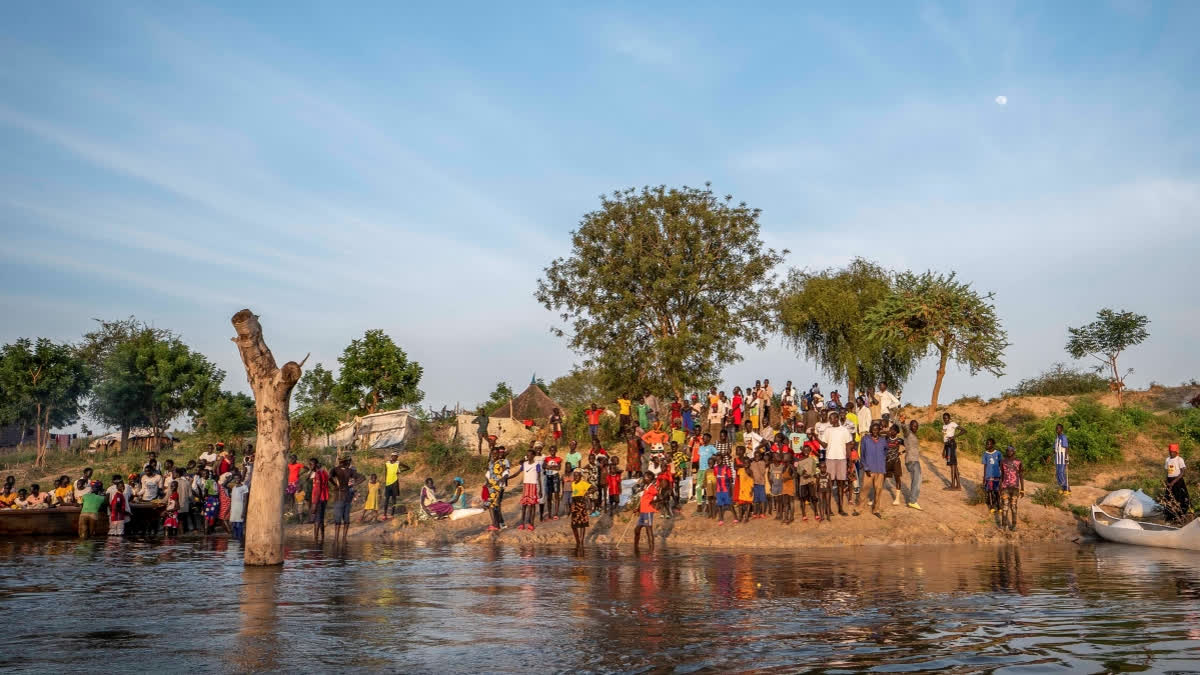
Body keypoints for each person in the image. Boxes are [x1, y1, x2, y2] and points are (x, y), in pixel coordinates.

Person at [820, 411, 854, 516]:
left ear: (836, 418)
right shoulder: (827, 430)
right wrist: (815, 437)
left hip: (841, 459)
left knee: (841, 485)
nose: (830, 420)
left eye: (831, 418)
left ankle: (840, 509)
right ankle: (828, 509)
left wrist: (849, 460)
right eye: (829, 418)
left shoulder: (844, 430)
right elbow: (824, 445)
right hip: (830, 458)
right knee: (829, 485)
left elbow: (848, 446)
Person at [329, 453, 362, 544]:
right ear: (346, 461)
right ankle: (344, 538)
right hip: (347, 495)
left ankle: (336, 539)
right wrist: (353, 484)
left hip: (339, 496)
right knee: (346, 519)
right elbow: (362, 477)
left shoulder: (335, 469)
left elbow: (329, 477)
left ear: (340, 461)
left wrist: (335, 485)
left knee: (337, 519)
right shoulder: (350, 471)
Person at [859, 421, 888, 518]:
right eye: (873, 429)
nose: (875, 431)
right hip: (869, 469)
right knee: (864, 489)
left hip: (880, 469)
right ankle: (859, 508)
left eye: (877, 429)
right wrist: (865, 467)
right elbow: (862, 454)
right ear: (870, 430)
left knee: (878, 490)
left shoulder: (883, 440)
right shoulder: (865, 439)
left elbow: (886, 451)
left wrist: (883, 460)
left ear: (880, 430)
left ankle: (876, 509)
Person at [999, 446, 1024, 531]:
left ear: (1014, 452)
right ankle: (1004, 525)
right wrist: (1000, 487)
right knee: (1005, 507)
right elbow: (1002, 475)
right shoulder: (1002, 461)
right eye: (1007, 450)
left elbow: (1020, 475)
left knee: (1013, 507)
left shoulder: (1018, 462)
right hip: (1005, 487)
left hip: (1015, 488)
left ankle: (1014, 525)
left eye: (1011, 451)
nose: (1009, 452)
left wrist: (1023, 489)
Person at [1165, 443, 1190, 522]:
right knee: (1169, 498)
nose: (1171, 453)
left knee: (1180, 498)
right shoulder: (1167, 459)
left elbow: (1182, 473)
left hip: (1178, 481)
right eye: (1170, 451)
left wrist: (1174, 482)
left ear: (1176, 452)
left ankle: (1180, 516)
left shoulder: (1180, 459)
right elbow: (1167, 471)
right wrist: (1167, 481)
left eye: (1173, 451)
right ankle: (1170, 516)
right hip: (1170, 481)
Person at [517, 449, 542, 530]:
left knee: (532, 505)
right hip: (526, 486)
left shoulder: (537, 465)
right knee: (524, 505)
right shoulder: (524, 464)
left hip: (533, 486)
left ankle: (531, 523)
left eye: (530, 455)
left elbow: (539, 477)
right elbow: (517, 472)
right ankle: (522, 523)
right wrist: (508, 478)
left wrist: (540, 489)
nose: (528, 456)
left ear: (533, 456)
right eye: (527, 455)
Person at [634, 471, 658, 552]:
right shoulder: (646, 486)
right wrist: (638, 508)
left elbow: (659, 496)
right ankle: (635, 547)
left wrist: (653, 502)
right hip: (642, 511)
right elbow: (643, 499)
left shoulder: (652, 488)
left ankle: (651, 549)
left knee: (648, 530)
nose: (643, 478)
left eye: (645, 477)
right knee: (637, 530)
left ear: (649, 479)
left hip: (648, 511)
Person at [569, 469, 592, 553]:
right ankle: (578, 541)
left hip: (581, 504)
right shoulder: (573, 484)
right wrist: (571, 505)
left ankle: (581, 541)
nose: (575, 477)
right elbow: (573, 495)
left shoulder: (584, 483)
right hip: (574, 504)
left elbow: (594, 488)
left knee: (582, 524)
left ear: (581, 476)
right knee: (573, 525)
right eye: (574, 475)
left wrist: (587, 493)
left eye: (577, 475)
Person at [902, 419, 923, 510]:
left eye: (917, 426)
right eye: (914, 426)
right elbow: (904, 429)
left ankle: (912, 500)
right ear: (910, 426)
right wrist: (903, 423)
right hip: (913, 461)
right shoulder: (908, 433)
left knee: (915, 480)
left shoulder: (912, 435)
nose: (916, 428)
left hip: (913, 460)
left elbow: (908, 446)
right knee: (917, 481)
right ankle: (913, 501)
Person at [309, 457, 330, 543]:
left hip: (319, 499)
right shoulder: (323, 472)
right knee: (321, 518)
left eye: (311, 464)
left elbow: (317, 490)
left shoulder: (317, 474)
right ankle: (322, 538)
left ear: (315, 464)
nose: (309, 466)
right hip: (324, 498)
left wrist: (314, 504)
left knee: (317, 520)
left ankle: (316, 540)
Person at [796, 445, 818, 522]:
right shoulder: (799, 460)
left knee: (813, 497)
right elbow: (798, 471)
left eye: (807, 450)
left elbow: (814, 470)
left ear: (810, 451)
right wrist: (802, 473)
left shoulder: (812, 460)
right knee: (803, 498)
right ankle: (804, 514)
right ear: (802, 451)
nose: (806, 452)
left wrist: (810, 475)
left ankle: (816, 513)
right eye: (804, 450)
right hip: (803, 481)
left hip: (810, 480)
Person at [695, 434, 717, 509]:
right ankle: (699, 504)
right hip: (701, 470)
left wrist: (713, 459)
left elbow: (717, 454)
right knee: (698, 487)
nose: (703, 439)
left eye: (705, 438)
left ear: (709, 439)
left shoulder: (711, 448)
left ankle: (708, 504)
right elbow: (699, 458)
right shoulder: (700, 448)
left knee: (708, 488)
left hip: (708, 470)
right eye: (703, 438)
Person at [942, 412, 961, 490]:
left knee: (953, 465)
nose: (945, 420)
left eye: (946, 418)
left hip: (951, 445)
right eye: (944, 418)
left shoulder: (952, 424)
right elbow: (945, 437)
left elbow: (963, 430)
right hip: (947, 446)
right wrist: (944, 449)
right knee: (954, 465)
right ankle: (958, 486)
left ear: (949, 418)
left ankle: (953, 485)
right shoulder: (944, 426)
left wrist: (954, 436)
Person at [543, 446, 563, 520]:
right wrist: (553, 466)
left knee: (556, 495)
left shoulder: (559, 459)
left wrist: (549, 467)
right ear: (549, 451)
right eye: (551, 450)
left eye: (554, 450)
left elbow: (559, 468)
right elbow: (543, 466)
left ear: (556, 450)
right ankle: (549, 513)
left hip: (555, 477)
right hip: (548, 477)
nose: (552, 451)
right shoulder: (546, 459)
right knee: (549, 497)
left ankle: (556, 513)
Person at [1053, 424, 1071, 495]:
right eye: (1056, 428)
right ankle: (1062, 488)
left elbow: (1066, 448)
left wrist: (1066, 458)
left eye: (1059, 428)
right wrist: (1050, 455)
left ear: (1061, 429)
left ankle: (1067, 489)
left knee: (1061, 473)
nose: (1057, 429)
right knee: (1057, 473)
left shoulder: (1063, 437)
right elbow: (1054, 449)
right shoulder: (1057, 438)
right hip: (1057, 458)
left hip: (1063, 457)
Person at [230, 476, 249, 540]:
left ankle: (239, 540)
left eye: (238, 478)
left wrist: (244, 511)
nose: (236, 479)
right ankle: (235, 543)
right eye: (235, 478)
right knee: (233, 526)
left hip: (240, 508)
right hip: (233, 509)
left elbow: (245, 500)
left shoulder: (244, 487)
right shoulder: (234, 488)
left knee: (239, 525)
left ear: (241, 478)